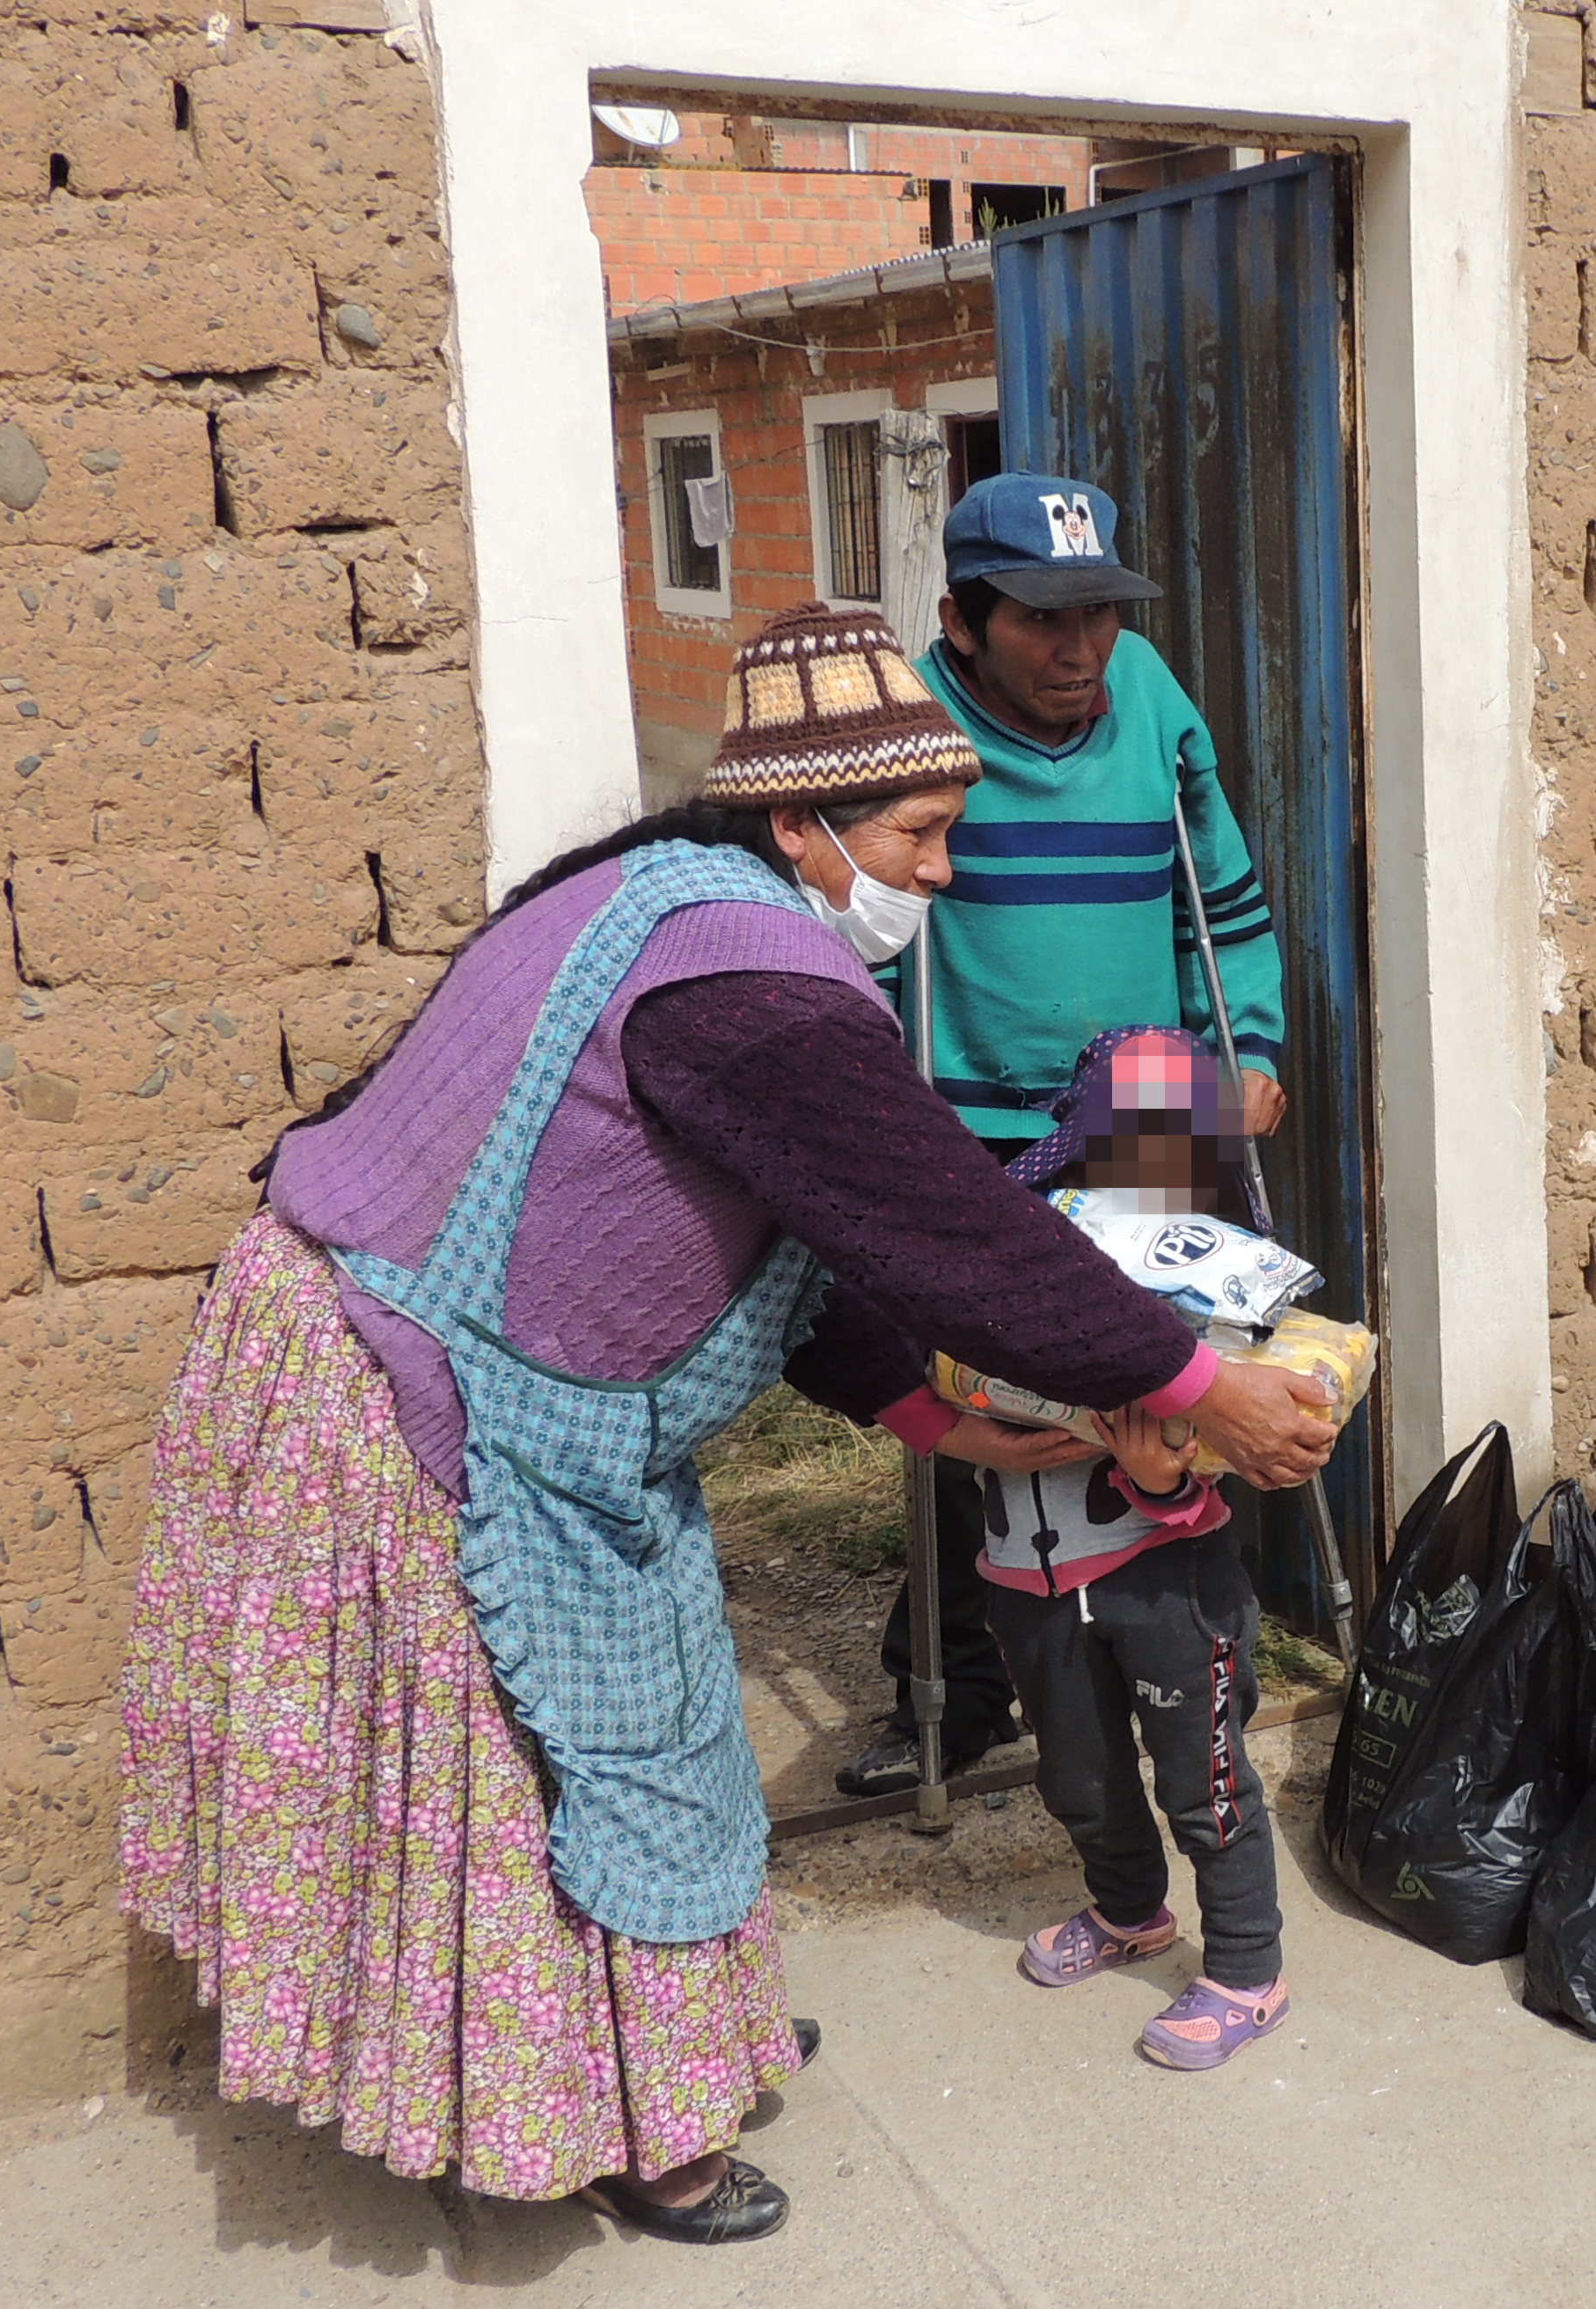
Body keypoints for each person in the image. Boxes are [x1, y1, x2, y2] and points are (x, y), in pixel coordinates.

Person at [119, 604, 1333, 2248]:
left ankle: (671, 2040)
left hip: (473, 1379)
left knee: (651, 1722)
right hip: (413, 1405)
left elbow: (803, 1235)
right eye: (920, 833)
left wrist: (944, 1420)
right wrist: (1197, 1385)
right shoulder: (754, 982)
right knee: (563, 1776)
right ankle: (628, 2124)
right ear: (798, 822)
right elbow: (941, 1232)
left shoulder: (664, 906)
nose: (946, 870)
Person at [838, 469, 1292, 1798]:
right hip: (965, 1118)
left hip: (1149, 1102)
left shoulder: (1147, 692)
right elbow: (864, 933)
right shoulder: (910, 720)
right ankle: (960, 1688)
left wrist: (1247, 1046)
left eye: (1097, 610)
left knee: (1173, 1385)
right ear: (962, 621)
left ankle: (1205, 1661)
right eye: (1042, 619)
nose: (1080, 646)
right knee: (977, 1414)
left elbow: (1225, 894)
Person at [979, 1025, 1294, 2071]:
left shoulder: (1221, 1274)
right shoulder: (1030, 1241)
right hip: (1026, 1577)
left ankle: (1247, 1970)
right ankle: (1127, 1913)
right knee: (1078, 1775)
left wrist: (1159, 1478)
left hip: (1165, 1581)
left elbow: (1234, 1428)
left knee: (1203, 1783)